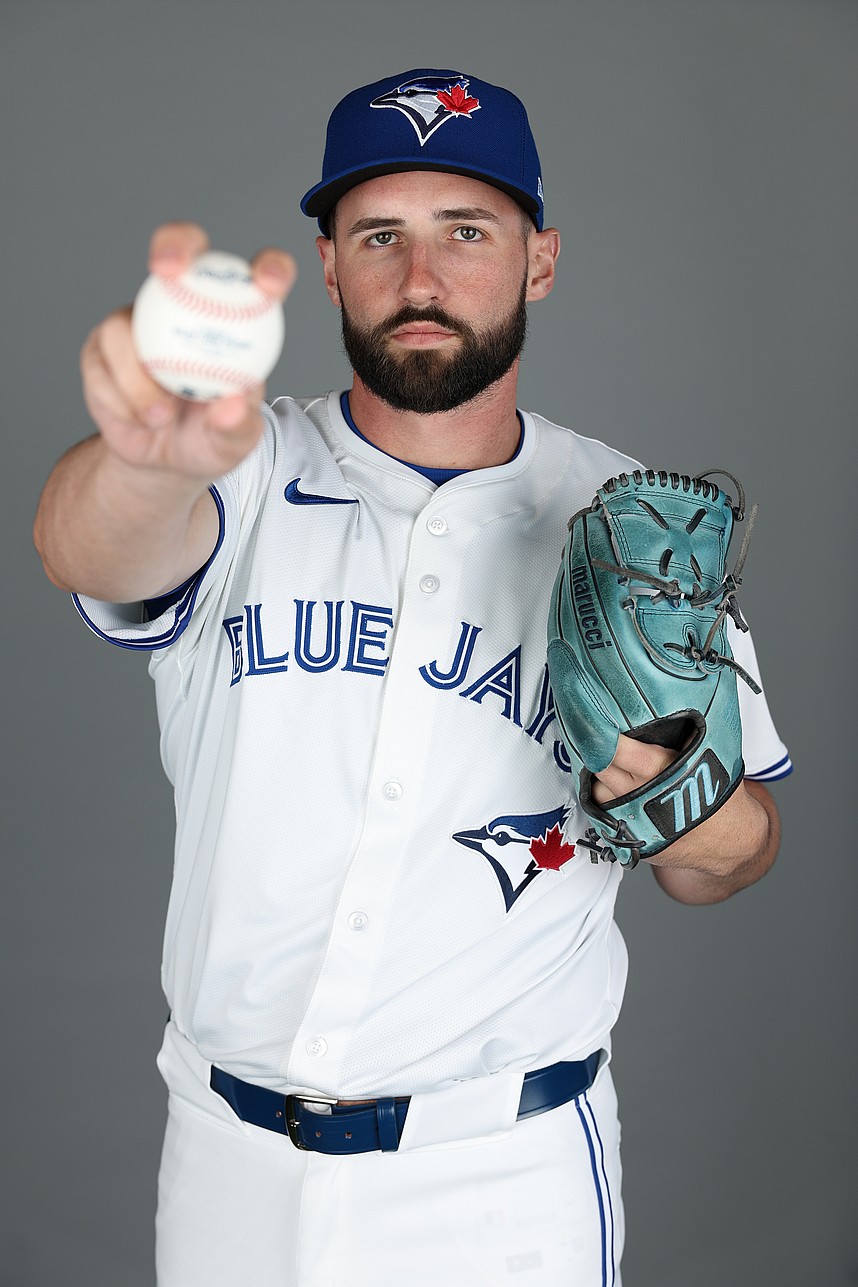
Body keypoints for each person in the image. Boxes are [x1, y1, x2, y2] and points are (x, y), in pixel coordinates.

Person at [34, 69, 791, 1287]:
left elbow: (736, 859)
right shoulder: (235, 469)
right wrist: (141, 462)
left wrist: (670, 789)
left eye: (467, 232)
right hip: (227, 1163)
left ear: (540, 261)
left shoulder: (630, 528)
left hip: (501, 1186)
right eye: (380, 235)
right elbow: (87, 543)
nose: (421, 278)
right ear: (328, 265)